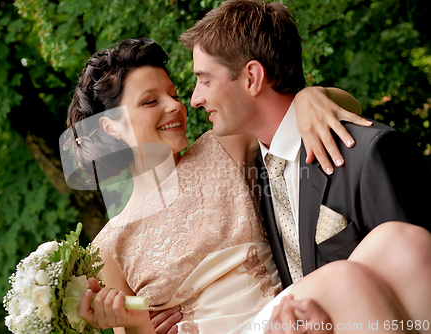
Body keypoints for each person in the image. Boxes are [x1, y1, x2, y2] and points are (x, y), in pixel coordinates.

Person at [65, 38, 372, 334]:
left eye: (173, 94)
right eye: (150, 101)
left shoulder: (222, 147)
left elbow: (344, 105)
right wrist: (138, 327)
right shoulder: (107, 249)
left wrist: (309, 98)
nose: (175, 106)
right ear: (111, 126)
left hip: (294, 318)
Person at [177, 0, 431, 332]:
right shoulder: (253, 176)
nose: (195, 98)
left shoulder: (367, 155)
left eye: (205, 80)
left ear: (252, 77)